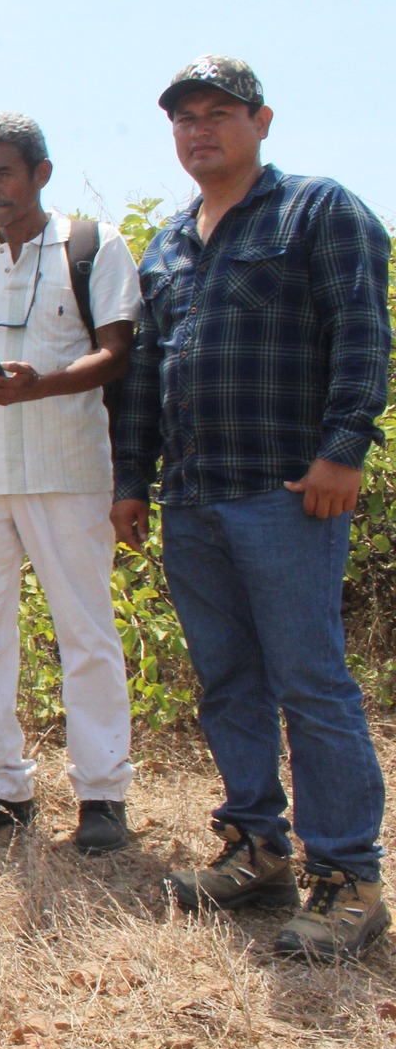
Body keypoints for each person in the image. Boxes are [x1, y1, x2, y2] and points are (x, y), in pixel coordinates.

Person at [116, 57, 391, 961]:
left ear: (261, 120)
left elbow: (361, 331)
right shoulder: (166, 245)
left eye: (220, 113)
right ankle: (255, 846)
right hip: (192, 496)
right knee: (228, 680)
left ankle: (348, 876)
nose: (201, 130)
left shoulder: (319, 210)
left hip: (286, 488)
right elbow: (148, 380)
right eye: (185, 118)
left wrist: (343, 448)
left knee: (310, 681)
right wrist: (131, 482)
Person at [0, 115, 142, 853]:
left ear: (41, 173)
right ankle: (2, 790)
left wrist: (38, 387)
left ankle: (103, 796)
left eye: (3, 174)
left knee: (86, 632)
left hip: (68, 470)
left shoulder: (92, 246)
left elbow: (117, 353)